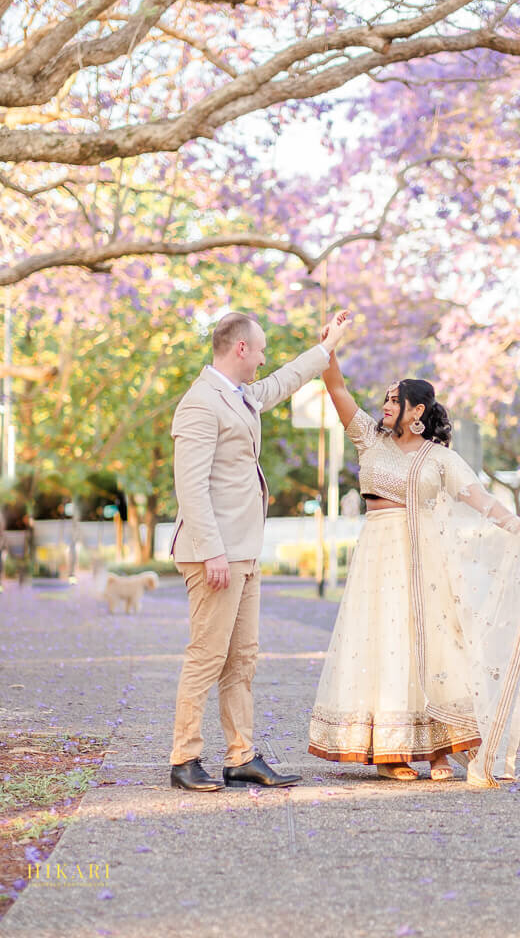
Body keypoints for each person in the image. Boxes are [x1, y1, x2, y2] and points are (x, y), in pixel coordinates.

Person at [308, 346, 520, 788]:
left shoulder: (439, 458)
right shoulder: (368, 437)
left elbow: (483, 503)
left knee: (435, 645)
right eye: (384, 400)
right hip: (377, 558)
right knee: (385, 643)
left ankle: (442, 746)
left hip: (425, 559)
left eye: (393, 400)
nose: (384, 407)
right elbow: (336, 385)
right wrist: (330, 344)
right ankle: (390, 751)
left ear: (417, 410)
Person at [169, 309, 351, 792]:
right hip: (215, 553)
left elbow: (285, 380)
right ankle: (184, 759)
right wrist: (211, 553)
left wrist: (326, 346)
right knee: (207, 656)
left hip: (244, 552)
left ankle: (240, 756)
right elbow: (190, 486)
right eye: (262, 348)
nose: (266, 357)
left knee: (242, 658)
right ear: (241, 348)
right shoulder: (199, 404)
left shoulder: (242, 395)